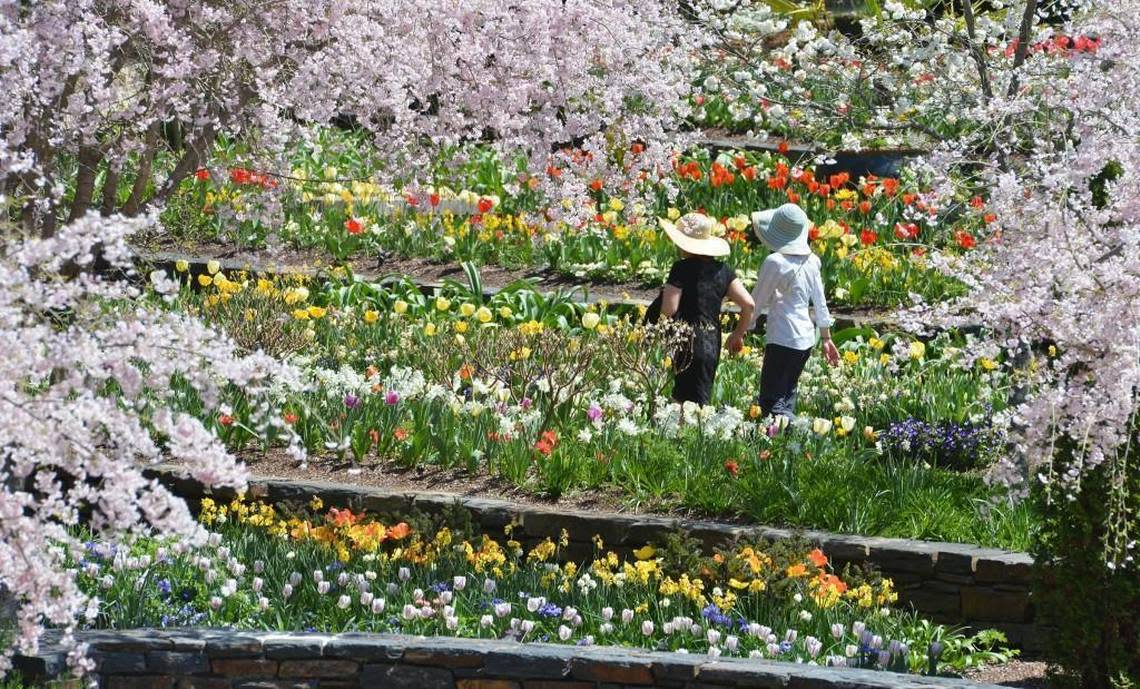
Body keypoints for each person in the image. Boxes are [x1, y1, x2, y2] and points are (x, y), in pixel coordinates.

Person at [749, 203, 840, 419]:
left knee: (771, 400)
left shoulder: (775, 262)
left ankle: (780, 440)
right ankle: (787, 442)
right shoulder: (812, 261)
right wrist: (826, 338)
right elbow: (820, 301)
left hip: (782, 336)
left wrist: (744, 327)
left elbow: (757, 300)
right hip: (805, 339)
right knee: (787, 393)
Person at [658, 213, 755, 406]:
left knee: (682, 399)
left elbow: (669, 310)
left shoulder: (680, 269)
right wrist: (737, 334)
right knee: (701, 397)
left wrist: (660, 332)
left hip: (685, 337)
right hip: (711, 339)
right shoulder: (723, 271)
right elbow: (748, 304)